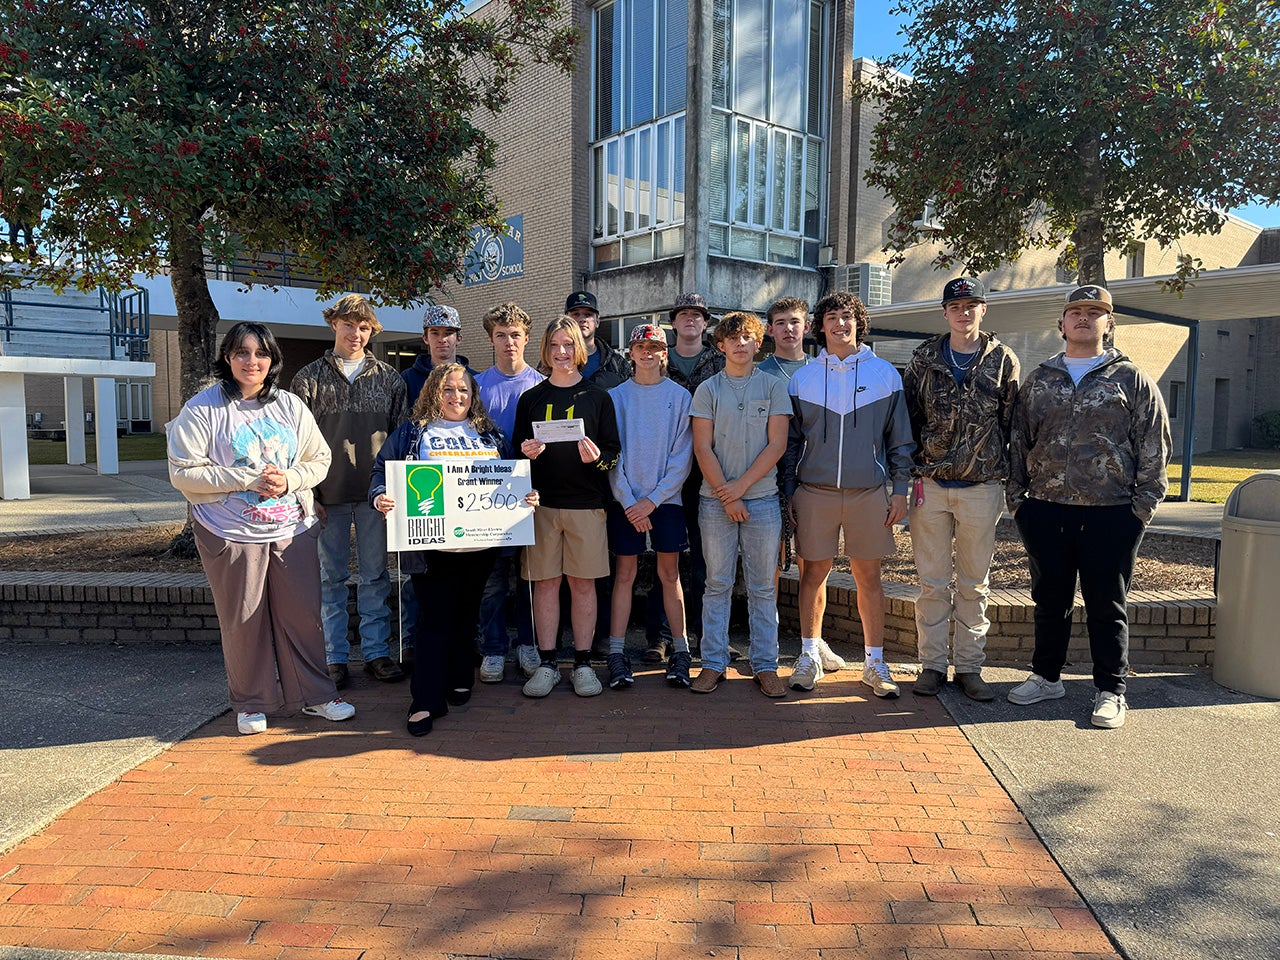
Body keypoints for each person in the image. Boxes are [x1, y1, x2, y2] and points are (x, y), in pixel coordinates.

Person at [166, 322, 354, 735]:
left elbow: (318, 458)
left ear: (272, 360)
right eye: (242, 353)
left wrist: (291, 480)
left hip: (292, 527)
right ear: (228, 357)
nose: (252, 361)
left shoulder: (289, 405)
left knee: (304, 615)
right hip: (230, 532)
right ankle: (251, 703)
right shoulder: (202, 409)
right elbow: (183, 473)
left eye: (261, 354)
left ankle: (316, 696)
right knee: (244, 618)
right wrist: (245, 479)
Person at [1006, 284, 1171, 729]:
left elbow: (1154, 445)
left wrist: (1141, 510)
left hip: (1112, 511)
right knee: (1049, 599)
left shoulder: (1131, 379)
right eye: (1075, 311)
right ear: (1061, 323)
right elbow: (1019, 442)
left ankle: (1111, 689)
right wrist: (1018, 503)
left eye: (1094, 312)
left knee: (1106, 603)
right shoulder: (1039, 379)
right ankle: (1046, 676)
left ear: (1108, 323)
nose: (1084, 318)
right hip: (1045, 510)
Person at [370, 363, 539, 737]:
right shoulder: (415, 432)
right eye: (448, 389)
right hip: (430, 544)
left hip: (481, 544)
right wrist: (380, 496)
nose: (456, 397)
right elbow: (381, 471)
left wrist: (526, 495)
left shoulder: (489, 434)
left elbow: (512, 475)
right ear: (434, 390)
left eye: (463, 390)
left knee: (467, 613)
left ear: (473, 394)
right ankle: (425, 700)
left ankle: (461, 676)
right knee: (433, 619)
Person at [782, 291, 915, 698]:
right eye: (833, 317)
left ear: (859, 322)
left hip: (869, 493)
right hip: (814, 493)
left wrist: (900, 491)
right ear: (819, 326)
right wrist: (788, 495)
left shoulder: (886, 375)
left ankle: (875, 663)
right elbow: (789, 445)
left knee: (869, 578)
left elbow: (901, 441)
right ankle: (808, 656)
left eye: (848, 316)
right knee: (812, 575)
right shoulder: (802, 377)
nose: (841, 324)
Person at [902, 278, 1020, 702]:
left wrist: (1013, 484)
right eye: (956, 306)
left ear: (983, 310)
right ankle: (931, 665)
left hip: (981, 487)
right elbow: (909, 422)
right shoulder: (924, 358)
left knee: (974, 583)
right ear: (945, 312)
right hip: (930, 486)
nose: (964, 312)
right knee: (932, 584)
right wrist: (908, 474)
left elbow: (1013, 427)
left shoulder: (1003, 360)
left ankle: (970, 667)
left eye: (972, 305)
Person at [291, 294, 409, 689]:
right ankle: (334, 656)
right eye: (348, 324)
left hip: (376, 496)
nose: (355, 333)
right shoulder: (308, 378)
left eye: (363, 327)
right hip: (328, 495)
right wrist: (308, 494)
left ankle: (377, 653)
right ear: (333, 324)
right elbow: (296, 443)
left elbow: (401, 439)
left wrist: (395, 491)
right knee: (331, 579)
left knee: (376, 576)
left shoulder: (389, 378)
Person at [512, 317, 622, 698]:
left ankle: (582, 664)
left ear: (579, 349)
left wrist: (597, 460)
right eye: (555, 345)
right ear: (545, 350)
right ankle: (546, 664)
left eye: (568, 344)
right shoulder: (532, 399)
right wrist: (525, 455)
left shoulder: (598, 398)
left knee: (583, 585)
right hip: (542, 506)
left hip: (587, 507)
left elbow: (612, 457)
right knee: (545, 585)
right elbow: (515, 458)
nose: (561, 352)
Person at [688, 311, 791, 697]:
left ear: (758, 341)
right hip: (715, 504)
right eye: (733, 339)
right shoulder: (708, 390)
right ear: (721, 345)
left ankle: (765, 665)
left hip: (761, 501)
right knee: (717, 584)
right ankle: (713, 663)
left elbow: (777, 444)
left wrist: (741, 489)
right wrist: (725, 495)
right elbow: (702, 446)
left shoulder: (773, 386)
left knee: (763, 587)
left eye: (747, 337)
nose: (740, 344)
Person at [758, 296, 846, 677]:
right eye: (780, 322)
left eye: (795, 321)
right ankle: (769, 644)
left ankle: (815, 642)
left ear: (808, 326)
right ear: (769, 330)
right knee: (771, 569)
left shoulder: (822, 370)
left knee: (816, 567)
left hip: (813, 482)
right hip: (770, 481)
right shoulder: (760, 373)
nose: (788, 328)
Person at [605, 324, 694, 690]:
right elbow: (612, 455)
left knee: (669, 575)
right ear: (631, 352)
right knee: (623, 575)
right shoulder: (615, 397)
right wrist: (630, 501)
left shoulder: (680, 396)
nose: (647, 352)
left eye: (654, 346)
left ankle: (681, 650)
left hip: (665, 501)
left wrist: (652, 500)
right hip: (626, 503)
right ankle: (615, 652)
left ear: (664, 353)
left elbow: (682, 456)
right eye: (640, 345)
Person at [473, 302, 545, 684]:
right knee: (494, 577)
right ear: (491, 339)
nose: (509, 341)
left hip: (532, 495)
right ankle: (494, 648)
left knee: (531, 574)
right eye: (501, 335)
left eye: (515, 334)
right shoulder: (477, 385)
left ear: (526, 338)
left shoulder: (541, 384)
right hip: (488, 495)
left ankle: (528, 644)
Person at [661, 292, 724, 664]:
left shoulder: (720, 360)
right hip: (664, 471)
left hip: (707, 471)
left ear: (705, 323)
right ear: (673, 321)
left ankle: (705, 635)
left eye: (697, 315)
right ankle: (660, 636)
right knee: (662, 558)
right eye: (683, 313)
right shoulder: (655, 357)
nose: (690, 320)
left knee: (705, 560)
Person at [402, 304, 476, 405]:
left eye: (448, 333)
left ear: (459, 339)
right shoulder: (408, 379)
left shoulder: (475, 378)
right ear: (425, 338)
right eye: (435, 333)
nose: (442, 340)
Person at [564, 290, 630, 389]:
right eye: (576, 314)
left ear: (597, 321)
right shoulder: (554, 361)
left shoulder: (616, 364)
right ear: (565, 321)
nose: (582, 319)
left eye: (588, 315)